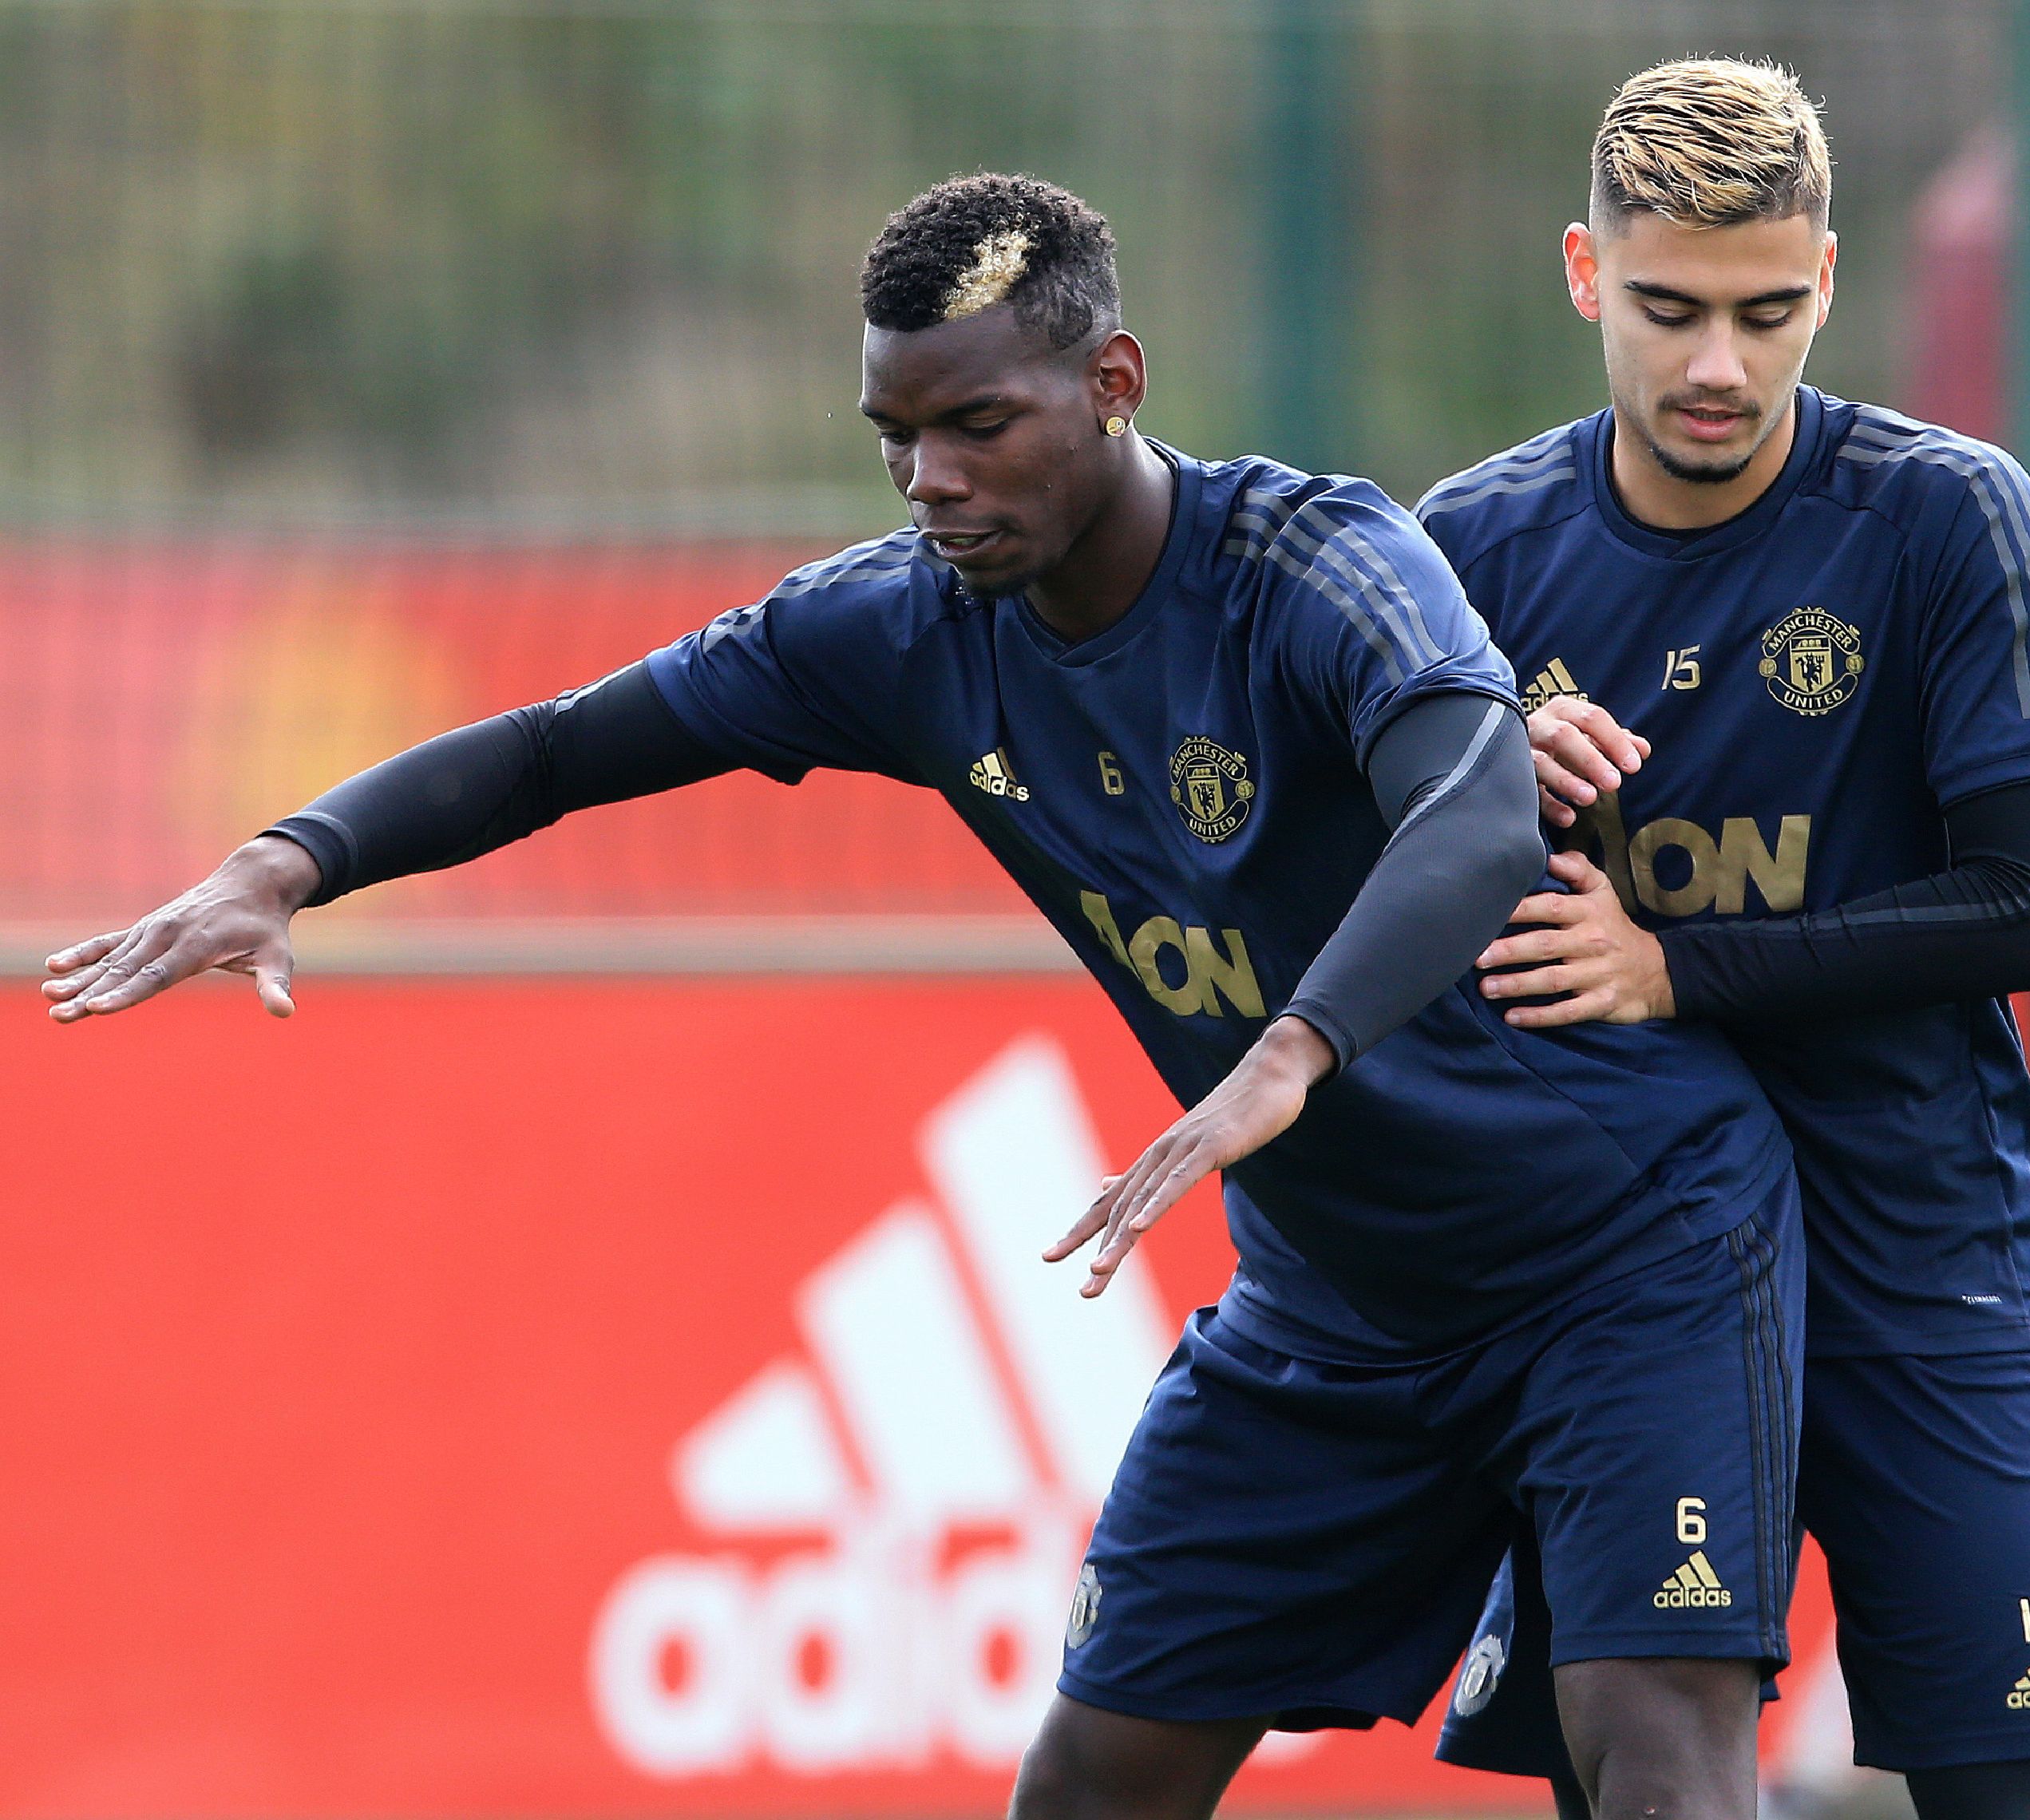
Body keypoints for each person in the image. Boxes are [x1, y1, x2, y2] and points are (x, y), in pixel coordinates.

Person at [39, 174, 1811, 1820]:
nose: (930, 481)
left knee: (1652, 1767)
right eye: (897, 437)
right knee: (1092, 1778)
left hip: (1620, 1250)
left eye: (979, 426)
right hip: (1338, 1305)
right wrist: (291, 857)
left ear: (1111, 380)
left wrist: (1294, 1048)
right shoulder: (896, 632)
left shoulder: (1312, 564)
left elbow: (1478, 808)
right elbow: (568, 748)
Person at [1418, 60, 2030, 1820]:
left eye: (1764, 310)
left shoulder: (1947, 518)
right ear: (1584, 276)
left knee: (2022, 1794)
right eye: (1665, 309)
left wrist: (1672, 969)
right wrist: (1484, 793)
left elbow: (2024, 905)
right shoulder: (1464, 550)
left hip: (1918, 1259)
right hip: (1623, 1280)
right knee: (1644, 1791)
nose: (1715, 363)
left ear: (1825, 278)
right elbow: (1378, 920)